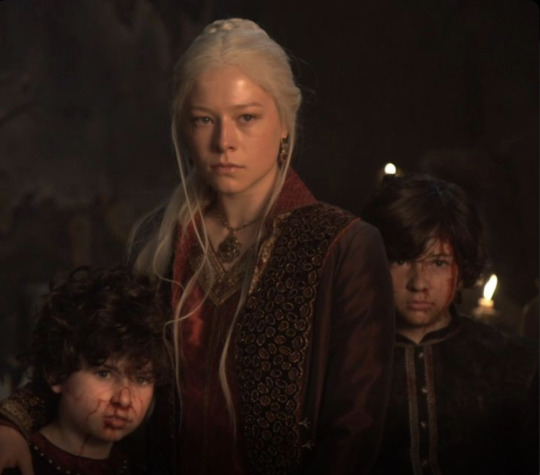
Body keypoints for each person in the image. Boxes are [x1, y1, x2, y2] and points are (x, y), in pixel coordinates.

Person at [0, 18, 395, 475]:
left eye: (247, 118)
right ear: (184, 129)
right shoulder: (158, 239)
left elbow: (354, 430)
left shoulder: (343, 246)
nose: (224, 142)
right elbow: (94, 349)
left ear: (285, 123)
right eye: (204, 119)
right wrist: (15, 420)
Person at [362, 174, 539, 474]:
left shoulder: (519, 364)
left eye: (438, 262)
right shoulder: (344, 362)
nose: (419, 283)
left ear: (462, 267)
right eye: (401, 260)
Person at [0, 266, 168, 475]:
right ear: (56, 372)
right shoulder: (12, 460)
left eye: (141, 379)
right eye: (103, 373)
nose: (124, 400)